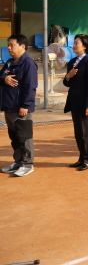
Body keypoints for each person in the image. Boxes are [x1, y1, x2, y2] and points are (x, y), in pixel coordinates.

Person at [0, 34, 38, 177]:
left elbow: (30, 86)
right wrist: (5, 78)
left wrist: (25, 105)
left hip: (20, 108)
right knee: (14, 137)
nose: (9, 48)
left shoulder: (28, 63)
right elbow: (0, 76)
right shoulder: (9, 63)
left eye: (12, 45)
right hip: (9, 107)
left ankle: (28, 164)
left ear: (23, 46)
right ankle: (18, 161)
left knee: (24, 137)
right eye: (8, 45)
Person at [64, 34, 88, 171]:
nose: (74, 45)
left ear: (85, 46)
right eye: (74, 42)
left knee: (87, 133)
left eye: (77, 43)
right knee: (78, 132)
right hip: (75, 102)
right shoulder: (72, 62)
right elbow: (67, 83)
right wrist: (68, 76)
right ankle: (81, 158)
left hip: (85, 103)